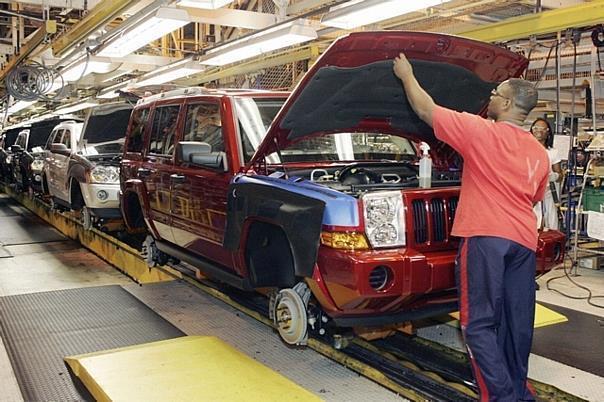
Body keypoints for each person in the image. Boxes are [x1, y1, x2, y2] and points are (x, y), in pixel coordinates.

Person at [393, 53, 549, 401]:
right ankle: (519, 391)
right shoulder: (538, 152)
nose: (490, 96)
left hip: (485, 237)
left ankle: (501, 397)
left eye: (495, 93)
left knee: (477, 323)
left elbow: (425, 109)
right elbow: (535, 198)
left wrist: (406, 74)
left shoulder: (480, 132)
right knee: (516, 325)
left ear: (507, 103)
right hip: (523, 242)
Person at [530, 118, 562, 230]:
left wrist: (551, 176)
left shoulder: (552, 153)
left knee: (550, 225)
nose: (539, 131)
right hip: (529, 195)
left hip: (547, 195)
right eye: (536, 128)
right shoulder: (525, 150)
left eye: (543, 129)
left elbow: (560, 176)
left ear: (548, 132)